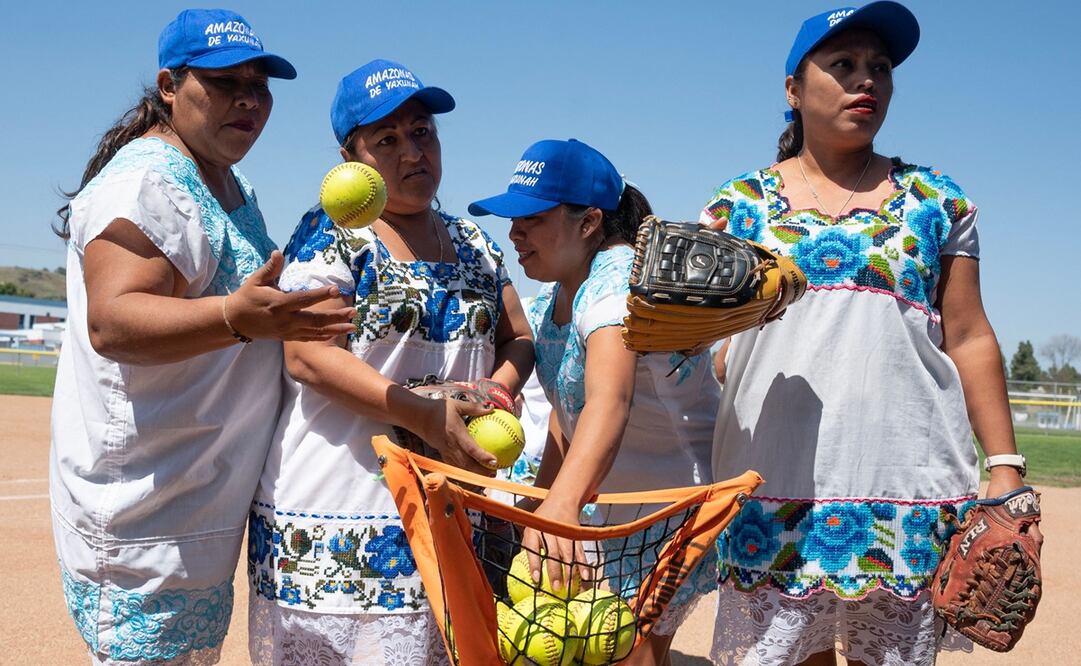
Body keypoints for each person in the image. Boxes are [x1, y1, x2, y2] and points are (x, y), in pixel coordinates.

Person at [699, 3, 1042, 665]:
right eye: (844, 65)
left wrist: (1004, 467)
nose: (867, 81)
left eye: (880, 68)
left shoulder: (936, 200)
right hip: (772, 480)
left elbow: (967, 334)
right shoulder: (735, 206)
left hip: (905, 481)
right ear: (792, 90)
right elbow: (710, 345)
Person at [49, 9, 356, 665]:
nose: (248, 99)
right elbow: (113, 319)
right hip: (148, 516)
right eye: (224, 83)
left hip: (193, 508)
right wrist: (235, 319)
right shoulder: (146, 181)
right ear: (169, 85)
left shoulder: (228, 182)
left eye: (260, 83)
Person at [246, 59, 534, 665]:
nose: (413, 153)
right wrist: (423, 415)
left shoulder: (476, 243)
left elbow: (519, 338)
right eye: (388, 140)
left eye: (423, 132)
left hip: (447, 509)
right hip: (337, 515)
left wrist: (495, 392)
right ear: (351, 160)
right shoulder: (330, 235)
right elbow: (307, 357)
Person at [469, 138, 719, 666]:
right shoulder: (552, 297)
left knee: (632, 654)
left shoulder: (617, 283)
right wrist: (542, 502)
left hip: (669, 510)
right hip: (610, 508)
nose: (514, 232)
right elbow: (570, 412)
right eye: (512, 218)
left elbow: (610, 401)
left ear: (589, 223)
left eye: (533, 218)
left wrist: (562, 503)